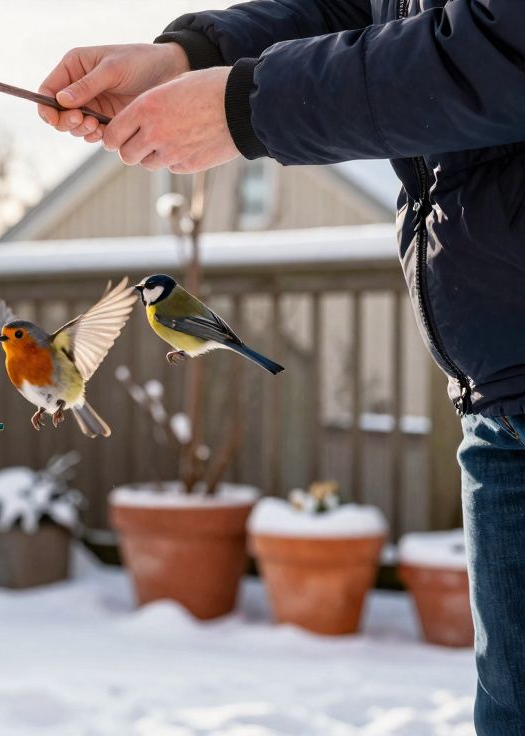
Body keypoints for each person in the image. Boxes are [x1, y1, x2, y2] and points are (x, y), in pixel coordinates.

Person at [36, 2, 525, 732]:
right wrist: (192, 56)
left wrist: (246, 104)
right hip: (499, 393)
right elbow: (359, 10)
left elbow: (500, 45)